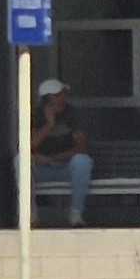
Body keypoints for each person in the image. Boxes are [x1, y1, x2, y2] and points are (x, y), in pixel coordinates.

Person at [30, 79, 92, 227]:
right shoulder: (35, 114)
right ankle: (30, 215)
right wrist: (49, 125)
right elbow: (29, 146)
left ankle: (76, 214)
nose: (63, 98)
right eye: (58, 95)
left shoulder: (72, 114)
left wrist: (54, 158)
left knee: (82, 161)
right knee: (20, 160)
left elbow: (82, 148)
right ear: (47, 99)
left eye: (64, 94)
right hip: (41, 170)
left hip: (66, 168)